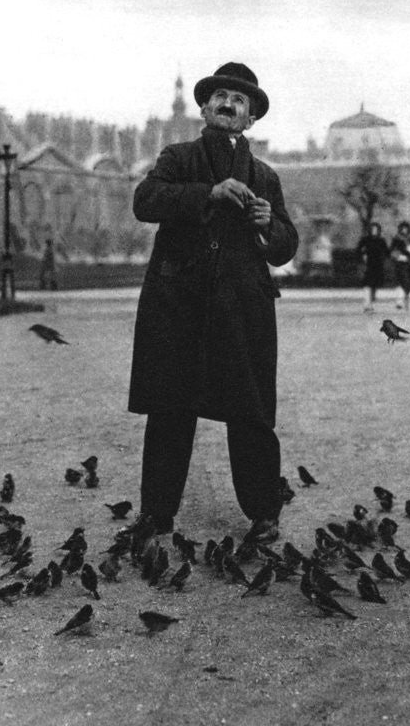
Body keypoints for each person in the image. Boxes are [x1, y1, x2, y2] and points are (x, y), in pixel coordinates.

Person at [128, 62, 299, 543]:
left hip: (242, 307)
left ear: (251, 120)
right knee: (170, 410)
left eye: (240, 101)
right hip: (179, 303)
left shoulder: (265, 176)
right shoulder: (178, 157)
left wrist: (269, 225)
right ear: (204, 108)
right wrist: (209, 193)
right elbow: (146, 201)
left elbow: (287, 246)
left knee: (252, 413)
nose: (229, 104)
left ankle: (264, 512)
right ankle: (156, 514)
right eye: (221, 96)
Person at [389, 221, 410, 310]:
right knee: (401, 283)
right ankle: (399, 302)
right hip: (400, 264)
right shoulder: (396, 239)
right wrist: (399, 256)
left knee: (409, 284)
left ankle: (406, 301)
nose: (404, 230)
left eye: (406, 228)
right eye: (403, 228)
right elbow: (392, 251)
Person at [356, 221, 389, 312]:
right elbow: (358, 250)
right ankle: (367, 304)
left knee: (375, 285)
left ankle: (370, 302)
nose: (374, 231)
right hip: (368, 264)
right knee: (367, 284)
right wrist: (363, 256)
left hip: (378, 265)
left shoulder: (381, 240)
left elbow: (386, 252)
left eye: (376, 229)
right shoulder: (365, 240)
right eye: (372, 229)